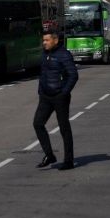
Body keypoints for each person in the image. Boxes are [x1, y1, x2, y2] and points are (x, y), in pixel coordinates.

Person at [33, 30, 79, 170]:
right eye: (43, 40)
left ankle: (68, 161)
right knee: (38, 123)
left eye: (47, 40)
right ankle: (49, 155)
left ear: (55, 40)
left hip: (60, 97)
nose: (44, 43)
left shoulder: (64, 55)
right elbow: (43, 74)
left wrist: (64, 92)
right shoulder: (44, 54)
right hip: (46, 97)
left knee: (64, 128)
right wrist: (41, 91)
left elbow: (73, 75)